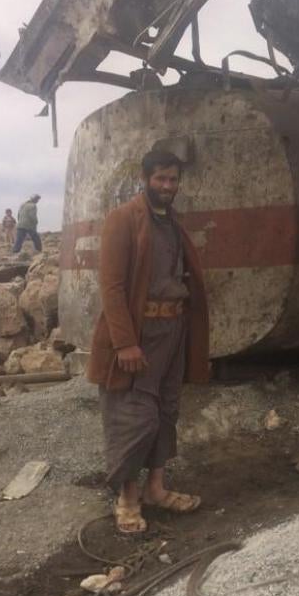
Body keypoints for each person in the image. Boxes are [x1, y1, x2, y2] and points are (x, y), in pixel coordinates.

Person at [86, 149, 210, 534]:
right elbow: (112, 286)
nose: (167, 186)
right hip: (139, 333)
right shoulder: (123, 219)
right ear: (145, 179)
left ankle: (156, 489)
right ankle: (127, 498)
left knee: (166, 410)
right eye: (160, 179)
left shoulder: (172, 224)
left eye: (173, 179)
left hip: (173, 330)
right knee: (133, 414)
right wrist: (124, 343)